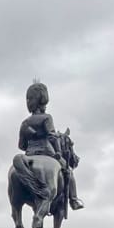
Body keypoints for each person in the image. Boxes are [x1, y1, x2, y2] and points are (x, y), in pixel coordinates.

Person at [18, 81, 83, 210]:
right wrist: (58, 152)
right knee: (68, 172)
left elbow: (21, 145)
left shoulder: (24, 123)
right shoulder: (47, 118)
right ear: (42, 102)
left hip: (29, 155)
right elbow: (52, 137)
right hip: (47, 152)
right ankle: (74, 200)